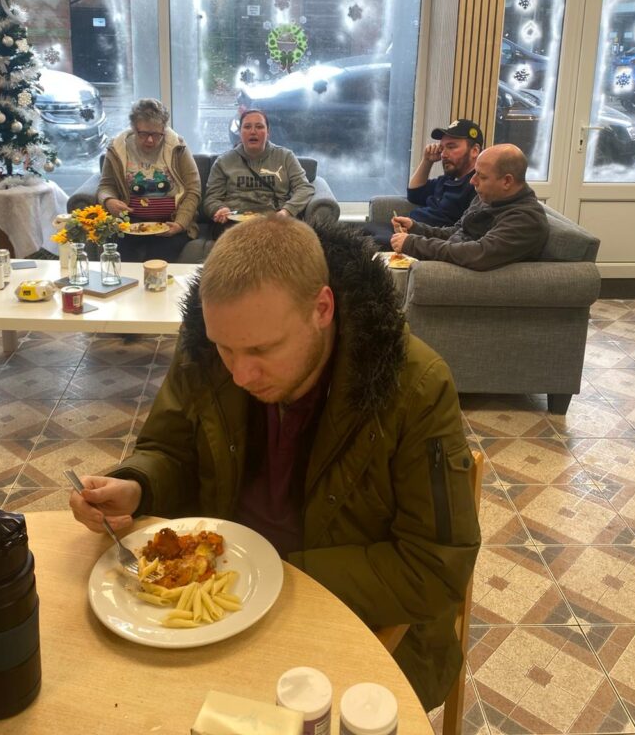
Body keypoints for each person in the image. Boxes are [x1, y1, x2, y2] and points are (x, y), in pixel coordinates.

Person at [68, 216, 480, 711]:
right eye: (227, 349)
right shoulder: (207, 346)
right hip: (218, 610)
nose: (241, 374)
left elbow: (435, 568)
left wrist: (276, 576)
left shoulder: (415, 385)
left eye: (264, 350)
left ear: (322, 308)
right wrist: (137, 484)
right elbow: (171, 450)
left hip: (348, 620)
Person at [391, 142, 549, 270]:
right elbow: (457, 231)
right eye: (475, 173)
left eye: (481, 176)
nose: (472, 181)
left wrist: (413, 243)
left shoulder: (526, 220)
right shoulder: (489, 198)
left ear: (507, 181)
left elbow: (478, 254)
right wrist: (415, 228)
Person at [97, 98, 201, 262]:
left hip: (170, 222)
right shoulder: (117, 148)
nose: (150, 140)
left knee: (159, 255)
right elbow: (106, 186)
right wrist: (109, 201)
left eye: (156, 134)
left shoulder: (177, 147)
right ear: (133, 128)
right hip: (131, 224)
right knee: (120, 252)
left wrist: (180, 224)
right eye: (144, 134)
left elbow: (193, 190)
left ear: (164, 129)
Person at [363, 118, 483, 248]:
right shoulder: (448, 179)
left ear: (474, 151)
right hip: (407, 229)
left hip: (422, 240)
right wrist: (427, 161)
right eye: (442, 148)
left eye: (451, 147)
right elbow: (414, 193)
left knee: (364, 243)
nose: (443, 154)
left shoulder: (477, 187)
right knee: (367, 228)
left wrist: (414, 236)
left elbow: (462, 233)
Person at [202, 109, 314, 226]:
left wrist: (286, 211)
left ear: (268, 132)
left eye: (259, 127)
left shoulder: (285, 157)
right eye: (247, 127)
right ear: (240, 132)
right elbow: (211, 198)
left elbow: (305, 188)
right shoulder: (224, 161)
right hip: (235, 223)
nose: (253, 132)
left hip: (275, 220)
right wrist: (219, 209)